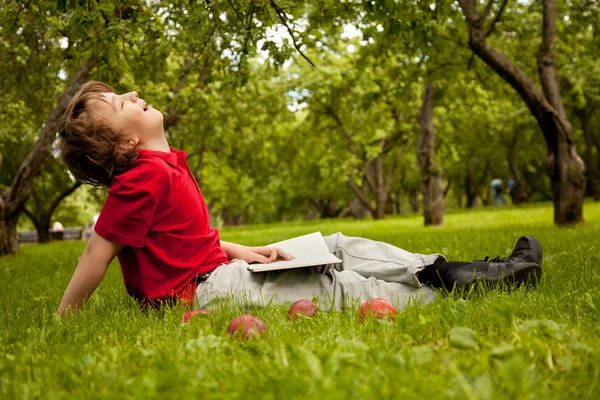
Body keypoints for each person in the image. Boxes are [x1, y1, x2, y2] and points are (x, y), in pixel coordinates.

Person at [56, 81, 543, 317]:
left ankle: (449, 269)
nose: (134, 92)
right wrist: (67, 316)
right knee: (326, 283)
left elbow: (175, 241)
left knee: (334, 243)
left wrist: (236, 250)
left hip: (216, 272)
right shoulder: (139, 180)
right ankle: (448, 292)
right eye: (122, 103)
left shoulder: (163, 168)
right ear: (125, 145)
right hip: (204, 292)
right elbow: (98, 250)